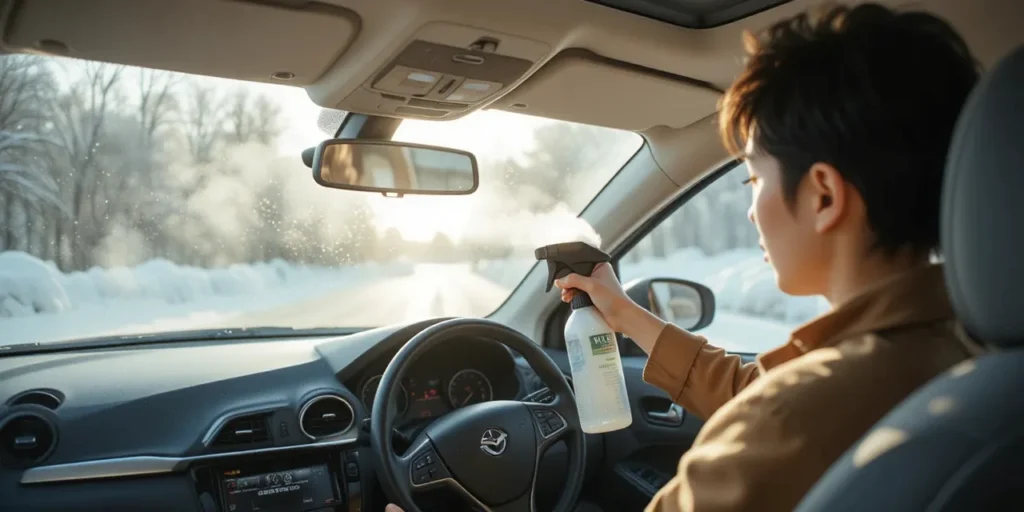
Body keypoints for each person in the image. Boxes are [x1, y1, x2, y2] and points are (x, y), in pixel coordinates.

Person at [386, 2, 981, 511]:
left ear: (823, 195)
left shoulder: (791, 421)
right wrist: (621, 312)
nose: (752, 211)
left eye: (753, 181)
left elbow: (777, 406)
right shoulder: (961, 353)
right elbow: (755, 389)